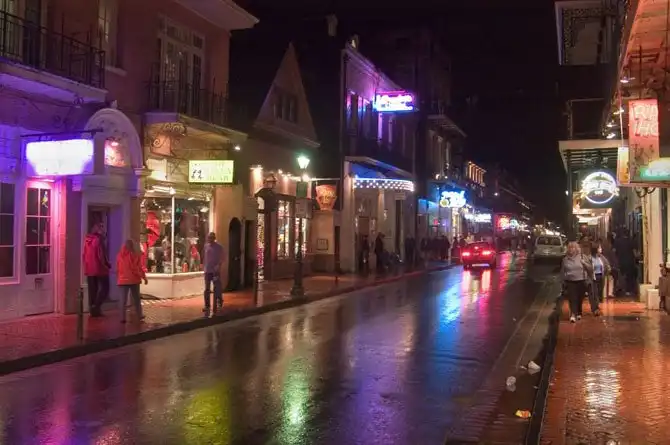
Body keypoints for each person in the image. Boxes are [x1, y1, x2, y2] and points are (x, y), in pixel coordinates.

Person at [82, 222, 111, 317]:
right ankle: (96, 306)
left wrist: (86, 266)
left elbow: (84, 255)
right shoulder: (99, 239)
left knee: (93, 290)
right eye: (101, 226)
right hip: (99, 268)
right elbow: (101, 254)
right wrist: (106, 264)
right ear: (97, 229)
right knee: (105, 288)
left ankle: (93, 311)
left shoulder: (87, 240)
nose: (103, 228)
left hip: (90, 269)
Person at [561, 241, 594, 323]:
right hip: (570, 281)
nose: (571, 249)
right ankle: (573, 314)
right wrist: (563, 281)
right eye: (569, 247)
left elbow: (590, 269)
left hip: (581, 280)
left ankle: (579, 312)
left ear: (576, 249)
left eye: (573, 247)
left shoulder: (583, 257)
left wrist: (584, 263)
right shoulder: (565, 259)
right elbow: (563, 271)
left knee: (579, 298)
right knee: (573, 298)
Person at [116, 239, 147, 323]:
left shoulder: (119, 255)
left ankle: (122, 318)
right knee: (136, 299)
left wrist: (118, 277)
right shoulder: (134, 255)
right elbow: (137, 268)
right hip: (133, 280)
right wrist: (144, 277)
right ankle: (140, 315)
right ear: (132, 246)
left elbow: (117, 267)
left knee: (123, 300)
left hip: (122, 280)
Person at [203, 232, 224, 313]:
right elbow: (205, 257)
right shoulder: (206, 246)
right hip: (207, 271)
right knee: (207, 289)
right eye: (209, 237)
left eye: (211, 237)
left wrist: (218, 265)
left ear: (214, 238)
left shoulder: (219, 247)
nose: (210, 239)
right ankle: (207, 305)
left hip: (215, 271)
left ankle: (219, 302)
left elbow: (222, 258)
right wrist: (204, 267)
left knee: (217, 287)